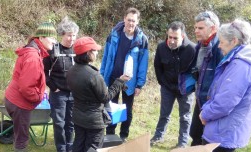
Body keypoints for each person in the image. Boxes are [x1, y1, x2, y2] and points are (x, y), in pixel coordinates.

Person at [199, 19, 251, 152]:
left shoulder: (240, 66)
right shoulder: (242, 61)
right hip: (225, 130)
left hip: (222, 134)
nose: (219, 46)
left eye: (222, 42)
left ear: (234, 41)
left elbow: (224, 102)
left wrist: (205, 113)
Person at [66, 37, 130, 151]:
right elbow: (106, 97)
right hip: (94, 121)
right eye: (94, 50)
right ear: (88, 53)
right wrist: (119, 81)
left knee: (78, 145)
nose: (96, 53)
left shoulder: (71, 70)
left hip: (78, 117)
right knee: (93, 148)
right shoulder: (94, 75)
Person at [4, 22, 57, 152]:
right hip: (19, 103)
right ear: (41, 37)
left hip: (15, 99)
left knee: (20, 134)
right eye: (52, 38)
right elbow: (26, 87)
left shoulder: (34, 52)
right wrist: (38, 97)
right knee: (22, 140)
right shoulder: (33, 56)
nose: (55, 42)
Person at [100, 7, 149, 142]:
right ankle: (110, 135)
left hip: (130, 82)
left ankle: (123, 136)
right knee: (111, 107)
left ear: (137, 22)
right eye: (129, 20)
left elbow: (143, 64)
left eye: (133, 21)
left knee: (127, 109)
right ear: (124, 19)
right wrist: (102, 75)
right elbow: (106, 57)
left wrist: (140, 84)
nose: (130, 23)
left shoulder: (142, 40)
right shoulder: (114, 34)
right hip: (113, 77)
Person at [150, 21, 196, 148]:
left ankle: (182, 142)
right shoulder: (161, 47)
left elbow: (196, 72)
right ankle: (158, 136)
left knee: (185, 117)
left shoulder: (192, 49)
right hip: (167, 87)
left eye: (175, 38)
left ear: (183, 36)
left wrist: (189, 87)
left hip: (185, 90)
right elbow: (157, 66)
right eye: (169, 37)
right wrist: (162, 83)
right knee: (164, 114)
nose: (171, 41)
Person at [43, 17, 79, 152]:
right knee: (59, 123)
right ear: (62, 34)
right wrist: (53, 87)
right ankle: (61, 149)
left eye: (74, 36)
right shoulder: (53, 50)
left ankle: (70, 147)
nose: (72, 39)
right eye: (69, 35)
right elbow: (43, 71)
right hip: (58, 94)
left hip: (74, 94)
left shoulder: (78, 50)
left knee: (71, 123)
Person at [189, 11, 224, 146]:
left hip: (211, 103)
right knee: (195, 134)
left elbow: (221, 80)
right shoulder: (200, 45)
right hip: (200, 99)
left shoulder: (220, 48)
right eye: (195, 28)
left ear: (213, 28)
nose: (196, 31)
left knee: (207, 140)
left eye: (201, 28)